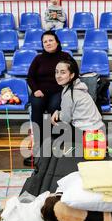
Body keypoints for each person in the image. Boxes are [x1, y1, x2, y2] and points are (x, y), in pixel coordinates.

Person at [26, 30, 72, 164]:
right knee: (36, 105)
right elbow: (30, 77)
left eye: (50, 40)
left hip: (59, 91)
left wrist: (65, 89)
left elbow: (73, 73)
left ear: (57, 42)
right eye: (45, 41)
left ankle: (55, 145)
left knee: (54, 107)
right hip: (40, 91)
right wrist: (35, 90)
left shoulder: (65, 56)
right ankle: (38, 148)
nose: (48, 43)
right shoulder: (38, 58)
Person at [51, 58, 104, 131]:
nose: (58, 76)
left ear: (72, 75)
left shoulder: (70, 93)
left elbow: (65, 120)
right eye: (56, 72)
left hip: (86, 130)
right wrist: (59, 112)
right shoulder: (78, 85)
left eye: (63, 72)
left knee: (55, 125)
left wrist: (58, 113)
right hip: (98, 126)